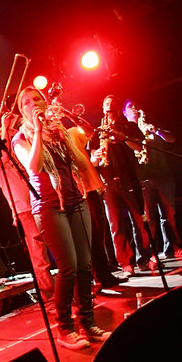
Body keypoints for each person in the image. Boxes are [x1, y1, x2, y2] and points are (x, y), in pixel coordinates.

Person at [12, 87, 111, 350]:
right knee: (68, 267)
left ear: (45, 103)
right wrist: (38, 131)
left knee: (85, 266)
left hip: (76, 199)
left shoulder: (59, 131)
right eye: (27, 102)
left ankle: (88, 324)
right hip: (48, 206)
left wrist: (65, 138)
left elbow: (82, 164)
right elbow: (33, 167)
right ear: (22, 110)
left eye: (37, 99)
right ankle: (65, 329)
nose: (34, 103)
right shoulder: (21, 137)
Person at [0, 116, 55, 300]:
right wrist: (4, 128)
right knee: (38, 253)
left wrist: (12, 130)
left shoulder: (9, 145)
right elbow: (3, 158)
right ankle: (49, 294)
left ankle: (67, 288)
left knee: (57, 243)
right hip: (23, 207)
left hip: (40, 199)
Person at [55, 104, 126, 289]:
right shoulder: (50, 141)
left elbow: (90, 132)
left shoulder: (71, 132)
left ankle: (103, 274)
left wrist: (69, 115)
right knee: (89, 237)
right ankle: (98, 277)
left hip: (90, 187)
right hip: (75, 192)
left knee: (98, 234)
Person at [89, 95, 155, 275]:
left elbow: (139, 147)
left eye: (112, 104)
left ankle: (144, 258)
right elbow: (92, 160)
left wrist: (121, 136)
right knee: (116, 226)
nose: (109, 107)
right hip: (108, 181)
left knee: (139, 222)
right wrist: (96, 155)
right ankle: (125, 263)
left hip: (129, 178)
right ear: (102, 109)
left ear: (118, 109)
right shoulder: (97, 131)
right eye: (106, 104)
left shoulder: (129, 126)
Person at [123, 100, 182, 260]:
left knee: (169, 214)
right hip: (141, 179)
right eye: (131, 107)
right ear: (125, 113)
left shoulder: (151, 125)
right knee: (148, 220)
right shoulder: (125, 131)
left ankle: (173, 248)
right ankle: (151, 254)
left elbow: (172, 139)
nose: (135, 108)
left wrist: (157, 131)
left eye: (136, 105)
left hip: (162, 175)